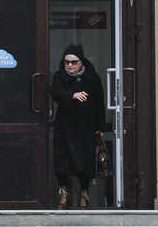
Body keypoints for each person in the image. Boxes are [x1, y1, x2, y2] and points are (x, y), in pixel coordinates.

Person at [50, 43, 106, 210]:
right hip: (65, 126)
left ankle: (84, 197)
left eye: (74, 62)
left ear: (81, 62)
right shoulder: (59, 76)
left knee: (84, 163)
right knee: (62, 162)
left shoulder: (92, 77)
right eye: (66, 62)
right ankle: (64, 197)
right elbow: (55, 91)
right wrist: (72, 95)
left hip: (86, 126)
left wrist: (100, 127)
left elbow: (99, 103)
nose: (70, 65)